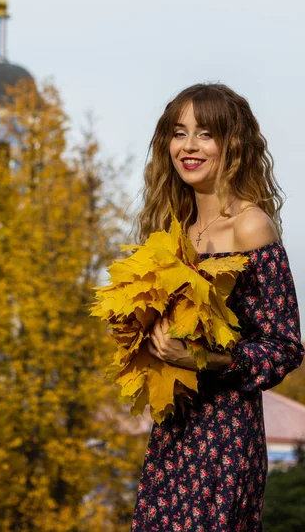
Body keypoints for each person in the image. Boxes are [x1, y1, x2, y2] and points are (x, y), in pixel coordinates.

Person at [130, 83, 304, 531]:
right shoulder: (173, 231)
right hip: (173, 429)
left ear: (234, 144)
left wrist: (204, 360)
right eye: (178, 132)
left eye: (205, 134)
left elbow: (284, 346)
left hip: (226, 433)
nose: (188, 146)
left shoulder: (250, 226)